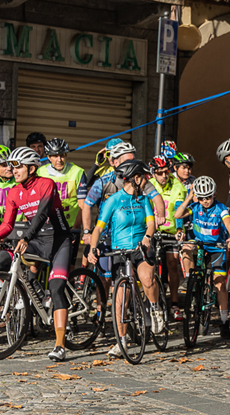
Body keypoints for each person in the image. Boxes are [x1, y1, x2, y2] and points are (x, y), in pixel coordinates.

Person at [0, 147, 72, 361]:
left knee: (57, 287)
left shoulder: (46, 184)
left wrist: (26, 238)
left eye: (18, 166)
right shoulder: (14, 192)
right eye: (11, 166)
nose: (13, 170)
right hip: (36, 241)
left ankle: (60, 345)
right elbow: (7, 224)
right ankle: (37, 298)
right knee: (8, 260)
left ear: (32, 168)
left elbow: (41, 214)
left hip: (59, 241)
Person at [87, 160, 164, 358]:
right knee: (120, 298)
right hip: (120, 251)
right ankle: (121, 342)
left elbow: (151, 223)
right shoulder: (114, 200)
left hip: (141, 248)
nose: (146, 180)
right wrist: (92, 249)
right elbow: (99, 228)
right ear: (135, 178)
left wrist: (147, 238)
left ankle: (155, 308)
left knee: (147, 279)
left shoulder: (143, 200)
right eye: (143, 177)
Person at [82, 142, 165, 294]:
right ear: (114, 162)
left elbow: (157, 198)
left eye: (133, 159)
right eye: (127, 161)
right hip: (108, 235)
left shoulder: (138, 180)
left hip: (134, 235)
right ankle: (102, 313)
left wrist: (160, 216)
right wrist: (87, 231)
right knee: (106, 279)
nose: (132, 163)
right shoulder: (104, 181)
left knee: (138, 278)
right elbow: (87, 205)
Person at [174, 176, 230, 339]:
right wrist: (190, 196)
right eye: (202, 198)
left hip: (217, 248)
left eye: (208, 197)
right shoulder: (195, 206)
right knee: (186, 247)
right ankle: (190, 279)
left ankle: (224, 321)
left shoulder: (221, 208)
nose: (205, 201)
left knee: (219, 284)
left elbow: (229, 223)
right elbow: (177, 215)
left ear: (214, 194)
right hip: (199, 244)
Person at [149, 155, 187, 321]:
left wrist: (179, 228)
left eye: (166, 172)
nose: (164, 176)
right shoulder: (148, 184)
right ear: (153, 173)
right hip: (152, 230)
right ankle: (153, 302)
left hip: (171, 231)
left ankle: (174, 303)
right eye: (159, 173)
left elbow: (179, 208)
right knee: (150, 267)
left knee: (172, 264)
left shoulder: (177, 185)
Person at [37, 138, 87, 229]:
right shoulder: (40, 172)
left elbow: (82, 204)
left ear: (66, 155)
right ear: (48, 157)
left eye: (62, 155)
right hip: (47, 225)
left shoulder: (78, 171)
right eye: (55, 156)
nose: (59, 160)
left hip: (70, 225)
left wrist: (76, 227)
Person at [0, 145, 17, 216]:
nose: (9, 168)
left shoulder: (20, 179)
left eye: (11, 163)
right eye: (4, 165)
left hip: (21, 225)